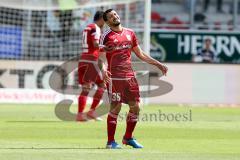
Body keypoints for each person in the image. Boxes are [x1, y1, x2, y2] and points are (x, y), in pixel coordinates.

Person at [99, 9, 168, 149]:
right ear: (107, 22)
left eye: (115, 14)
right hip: (115, 78)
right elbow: (100, 57)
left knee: (135, 107)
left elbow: (141, 54)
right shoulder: (106, 36)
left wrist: (158, 64)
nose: (115, 17)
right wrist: (103, 70)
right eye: (111, 16)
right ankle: (110, 142)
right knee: (116, 107)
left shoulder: (130, 33)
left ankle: (128, 137)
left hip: (130, 77)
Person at [76, 11, 106, 121]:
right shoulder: (96, 28)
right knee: (102, 84)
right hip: (91, 60)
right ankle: (91, 111)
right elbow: (95, 44)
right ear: (101, 19)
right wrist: (108, 47)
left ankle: (81, 114)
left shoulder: (87, 27)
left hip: (83, 58)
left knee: (87, 87)